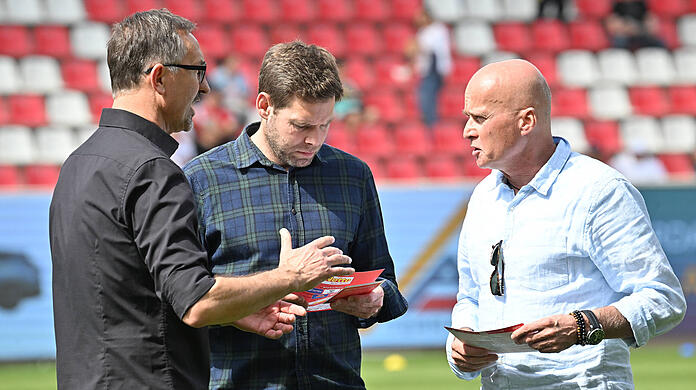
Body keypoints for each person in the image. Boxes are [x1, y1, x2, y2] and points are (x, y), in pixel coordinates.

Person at [49, 10, 353, 389]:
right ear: (160, 77)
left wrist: (236, 311)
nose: (205, 87)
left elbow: (139, 293)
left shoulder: (79, 163)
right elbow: (196, 302)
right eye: (197, 70)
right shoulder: (152, 171)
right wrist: (289, 276)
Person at [446, 59, 686, 389]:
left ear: (526, 121)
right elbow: (471, 297)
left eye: (480, 117)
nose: (467, 130)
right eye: (468, 118)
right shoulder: (483, 196)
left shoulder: (599, 191)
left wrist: (582, 325)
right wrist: (462, 345)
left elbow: (663, 298)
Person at [184, 41, 408, 390]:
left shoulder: (353, 176)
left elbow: (387, 282)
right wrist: (265, 290)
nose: (314, 140)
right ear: (264, 106)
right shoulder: (203, 180)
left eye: (325, 125)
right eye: (301, 126)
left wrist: (376, 299)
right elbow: (182, 300)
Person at [407, 8, 452, 127]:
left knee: (428, 96)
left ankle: (431, 123)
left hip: (434, 70)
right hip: (428, 70)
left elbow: (425, 48)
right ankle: (429, 122)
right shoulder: (424, 31)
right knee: (426, 97)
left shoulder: (437, 30)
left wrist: (413, 46)